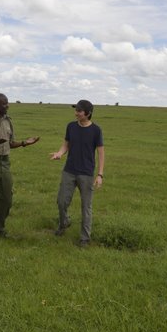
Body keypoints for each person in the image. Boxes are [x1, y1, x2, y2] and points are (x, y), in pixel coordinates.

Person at [0, 93, 40, 253]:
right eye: (4, 104)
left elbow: (10, 143)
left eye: (7, 103)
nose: (7, 106)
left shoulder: (8, 121)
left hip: (5, 163)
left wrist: (25, 143)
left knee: (7, 199)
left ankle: (0, 228)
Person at [49, 99, 105, 247]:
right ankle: (64, 223)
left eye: (79, 111)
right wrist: (60, 153)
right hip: (69, 171)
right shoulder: (71, 126)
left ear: (88, 113)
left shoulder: (96, 130)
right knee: (61, 201)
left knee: (86, 207)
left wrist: (100, 175)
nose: (76, 113)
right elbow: (65, 145)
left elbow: (100, 153)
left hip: (86, 174)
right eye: (76, 110)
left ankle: (85, 238)